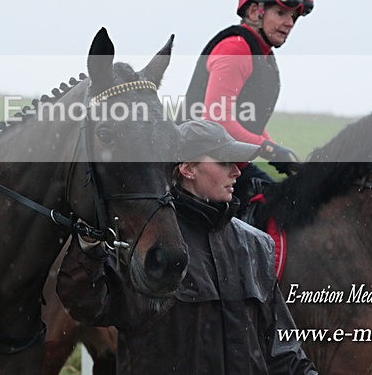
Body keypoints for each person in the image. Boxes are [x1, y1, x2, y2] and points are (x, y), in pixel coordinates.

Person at [56, 120, 317, 374]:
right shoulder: (152, 246)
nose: (237, 171)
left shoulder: (256, 246)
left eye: (237, 163)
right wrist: (88, 246)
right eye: (225, 162)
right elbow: (87, 305)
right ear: (188, 168)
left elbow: (284, 352)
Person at [184, 0, 315, 186]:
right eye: (281, 13)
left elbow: (250, 123)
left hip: (227, 164)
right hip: (196, 169)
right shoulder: (236, 49)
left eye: (294, 17)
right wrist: (270, 150)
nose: (290, 23)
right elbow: (217, 121)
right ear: (256, 11)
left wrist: (275, 151)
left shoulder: (263, 54)